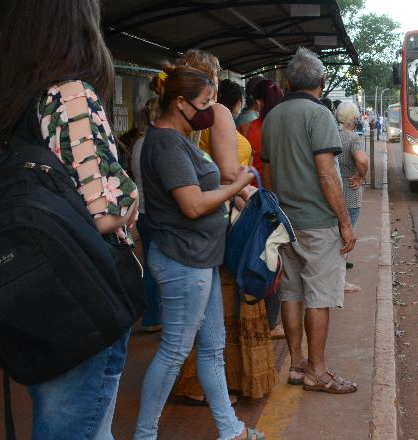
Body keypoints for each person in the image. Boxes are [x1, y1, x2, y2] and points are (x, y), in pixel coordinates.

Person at [0, 1, 138, 438]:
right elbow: (105, 211)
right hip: (81, 297)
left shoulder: (11, 107)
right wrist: (132, 196)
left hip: (31, 295)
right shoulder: (70, 95)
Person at [133, 62, 263, 440]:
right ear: (179, 102)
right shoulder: (165, 143)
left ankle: (230, 429)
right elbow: (192, 205)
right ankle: (144, 435)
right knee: (175, 351)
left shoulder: (180, 139)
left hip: (199, 258)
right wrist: (237, 184)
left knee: (212, 347)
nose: (211, 110)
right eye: (205, 102)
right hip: (182, 261)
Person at [173, 50, 276, 403]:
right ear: (211, 79)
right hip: (224, 218)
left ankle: (201, 384)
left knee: (200, 309)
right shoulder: (216, 113)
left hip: (197, 219)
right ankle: (219, 384)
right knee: (229, 305)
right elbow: (230, 172)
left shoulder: (179, 117)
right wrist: (251, 184)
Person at [261, 47, 358, 394]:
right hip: (318, 222)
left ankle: (297, 366)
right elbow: (327, 174)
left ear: (288, 82)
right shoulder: (320, 116)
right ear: (322, 81)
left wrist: (278, 213)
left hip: (285, 221)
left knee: (291, 293)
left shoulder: (272, 117)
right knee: (318, 297)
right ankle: (317, 371)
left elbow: (268, 174)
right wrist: (345, 221)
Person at [244, 79, 285, 338]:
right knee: (276, 261)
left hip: (249, 199)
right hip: (278, 201)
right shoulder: (283, 127)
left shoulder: (246, 129)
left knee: (255, 257)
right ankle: (272, 321)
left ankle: (253, 316)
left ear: (258, 103)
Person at [130, 98, 162, 333]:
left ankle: (152, 316)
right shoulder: (158, 143)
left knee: (150, 265)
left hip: (142, 213)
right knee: (159, 267)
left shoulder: (140, 143)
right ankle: (154, 315)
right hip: (157, 213)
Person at [335, 102, 369, 292]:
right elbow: (362, 159)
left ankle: (334, 279)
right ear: (354, 119)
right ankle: (340, 283)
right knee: (346, 240)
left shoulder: (332, 135)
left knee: (334, 238)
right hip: (350, 194)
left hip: (333, 193)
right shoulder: (353, 139)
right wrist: (362, 176)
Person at [245, 79, 283, 180]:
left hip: (253, 190)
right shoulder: (288, 127)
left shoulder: (246, 128)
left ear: (258, 103)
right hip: (281, 190)